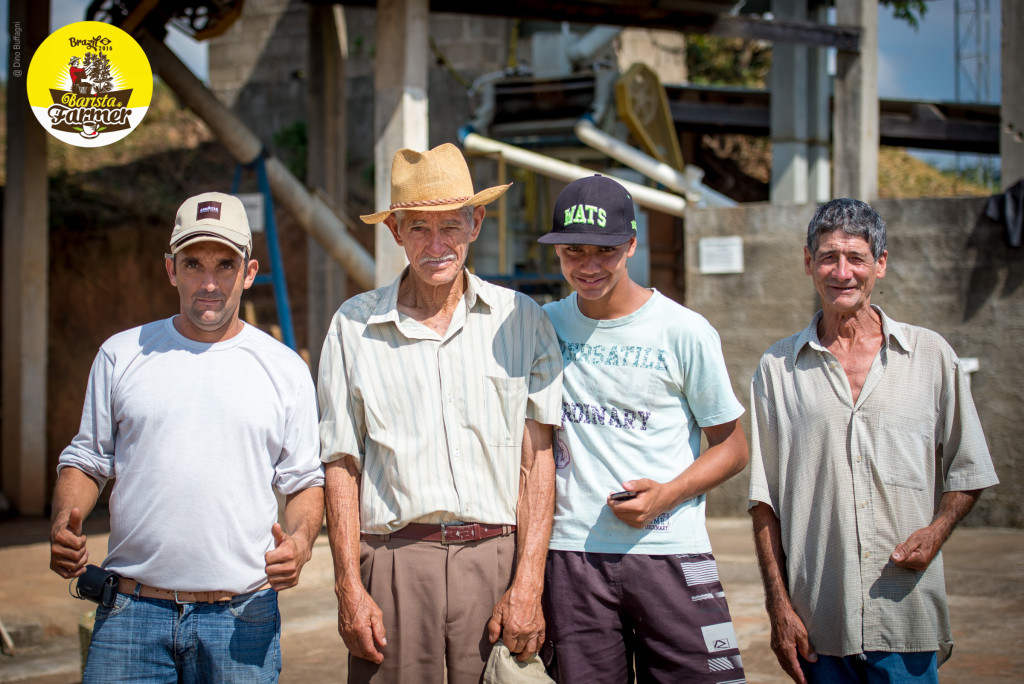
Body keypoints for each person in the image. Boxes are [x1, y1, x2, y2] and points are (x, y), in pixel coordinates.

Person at [49, 191, 325, 683]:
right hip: (131, 613)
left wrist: (301, 542)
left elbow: (304, 480)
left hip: (243, 617)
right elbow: (88, 459)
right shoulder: (121, 355)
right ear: (170, 269)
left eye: (225, 264)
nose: (210, 283)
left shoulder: (284, 368)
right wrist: (62, 521)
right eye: (193, 264)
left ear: (250, 271)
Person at [318, 143, 563, 683]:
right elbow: (341, 465)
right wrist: (348, 588)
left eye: (450, 226)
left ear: (476, 223)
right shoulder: (352, 327)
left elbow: (537, 463)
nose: (436, 245)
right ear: (395, 232)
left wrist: (528, 584)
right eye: (418, 229)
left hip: (496, 561)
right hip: (394, 566)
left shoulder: (520, 320)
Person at [748, 198, 1000, 684]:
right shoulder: (777, 369)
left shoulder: (929, 356)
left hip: (906, 617)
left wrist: (937, 530)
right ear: (808, 263)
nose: (842, 271)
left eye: (856, 258)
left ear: (880, 265)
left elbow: (970, 470)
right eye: (828, 257)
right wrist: (778, 607)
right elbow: (764, 503)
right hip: (819, 625)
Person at [536, 174, 750, 683]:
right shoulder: (543, 326)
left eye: (605, 250)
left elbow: (734, 447)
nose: (588, 266)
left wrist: (667, 494)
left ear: (632, 243)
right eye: (573, 251)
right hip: (573, 555)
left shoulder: (684, 331)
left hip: (670, 549)